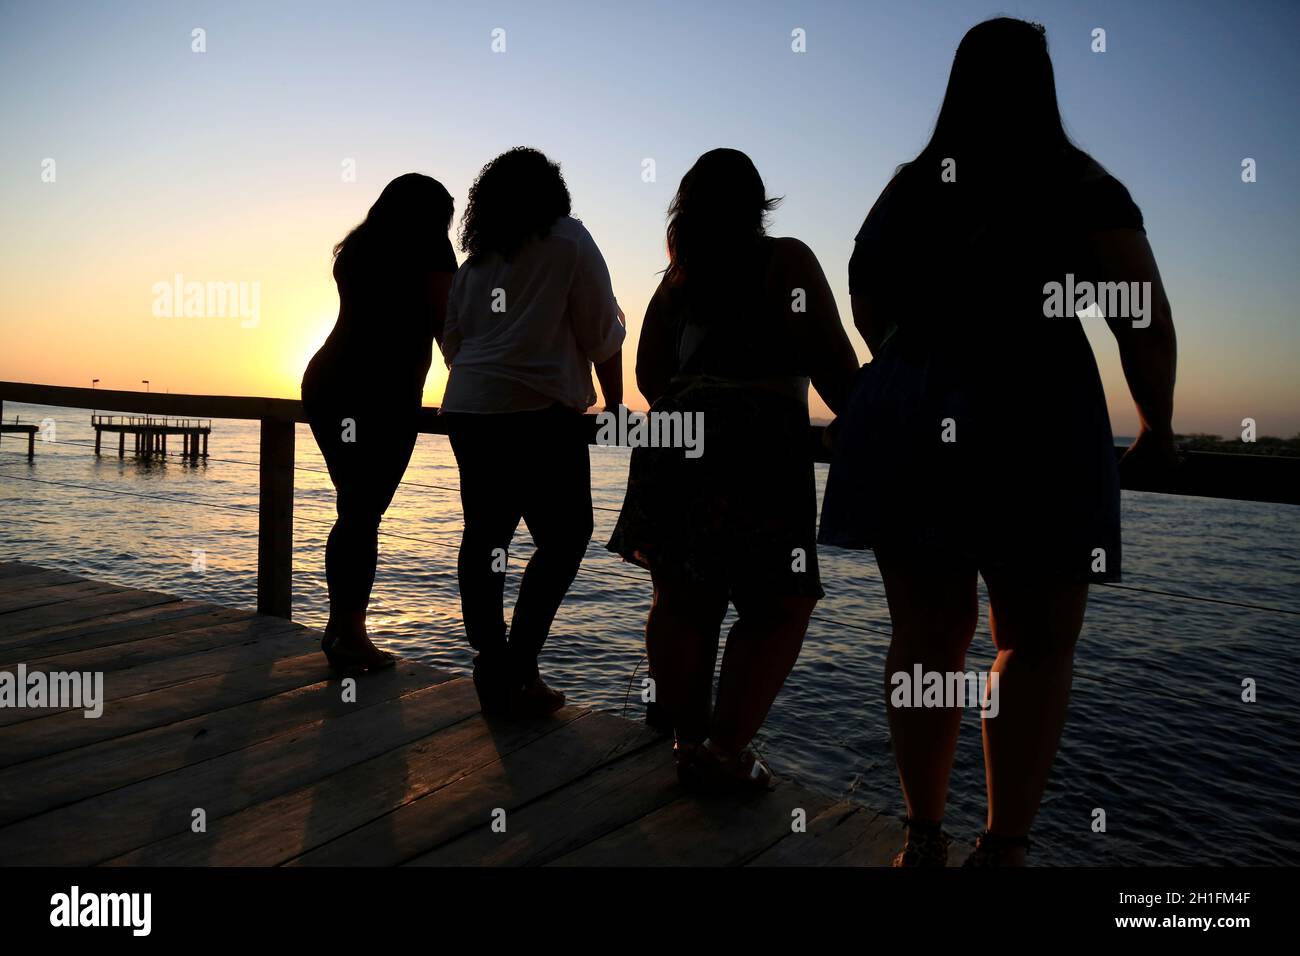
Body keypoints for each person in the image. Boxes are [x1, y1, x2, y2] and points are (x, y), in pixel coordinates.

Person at [818, 18, 1178, 865]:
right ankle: (1005, 847)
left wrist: (916, 363)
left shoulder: (911, 185)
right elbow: (1142, 318)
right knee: (1036, 640)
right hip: (1035, 412)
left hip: (909, 413)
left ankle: (922, 834)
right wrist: (1157, 424)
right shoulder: (1077, 180)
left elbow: (866, 298)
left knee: (927, 635)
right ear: (1044, 85)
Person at [608, 148, 859, 793]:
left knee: (682, 600)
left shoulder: (678, 279)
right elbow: (835, 368)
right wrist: (867, 417)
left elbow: (651, 379)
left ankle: (689, 744)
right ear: (758, 204)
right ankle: (723, 751)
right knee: (780, 604)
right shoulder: (785, 261)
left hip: (674, 438)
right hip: (755, 442)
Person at [441, 147, 624, 716]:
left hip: (471, 411)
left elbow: (453, 343)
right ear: (553, 192)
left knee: (486, 536)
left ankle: (494, 661)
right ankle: (515, 666)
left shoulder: (474, 265)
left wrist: (487, 383)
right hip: (542, 413)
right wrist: (615, 405)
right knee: (566, 537)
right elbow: (601, 333)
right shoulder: (569, 240)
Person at [302, 173, 458, 672]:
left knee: (354, 508)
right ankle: (349, 635)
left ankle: (341, 629)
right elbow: (445, 323)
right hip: (382, 391)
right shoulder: (430, 246)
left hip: (330, 380)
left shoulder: (358, 247)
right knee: (362, 512)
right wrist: (468, 380)